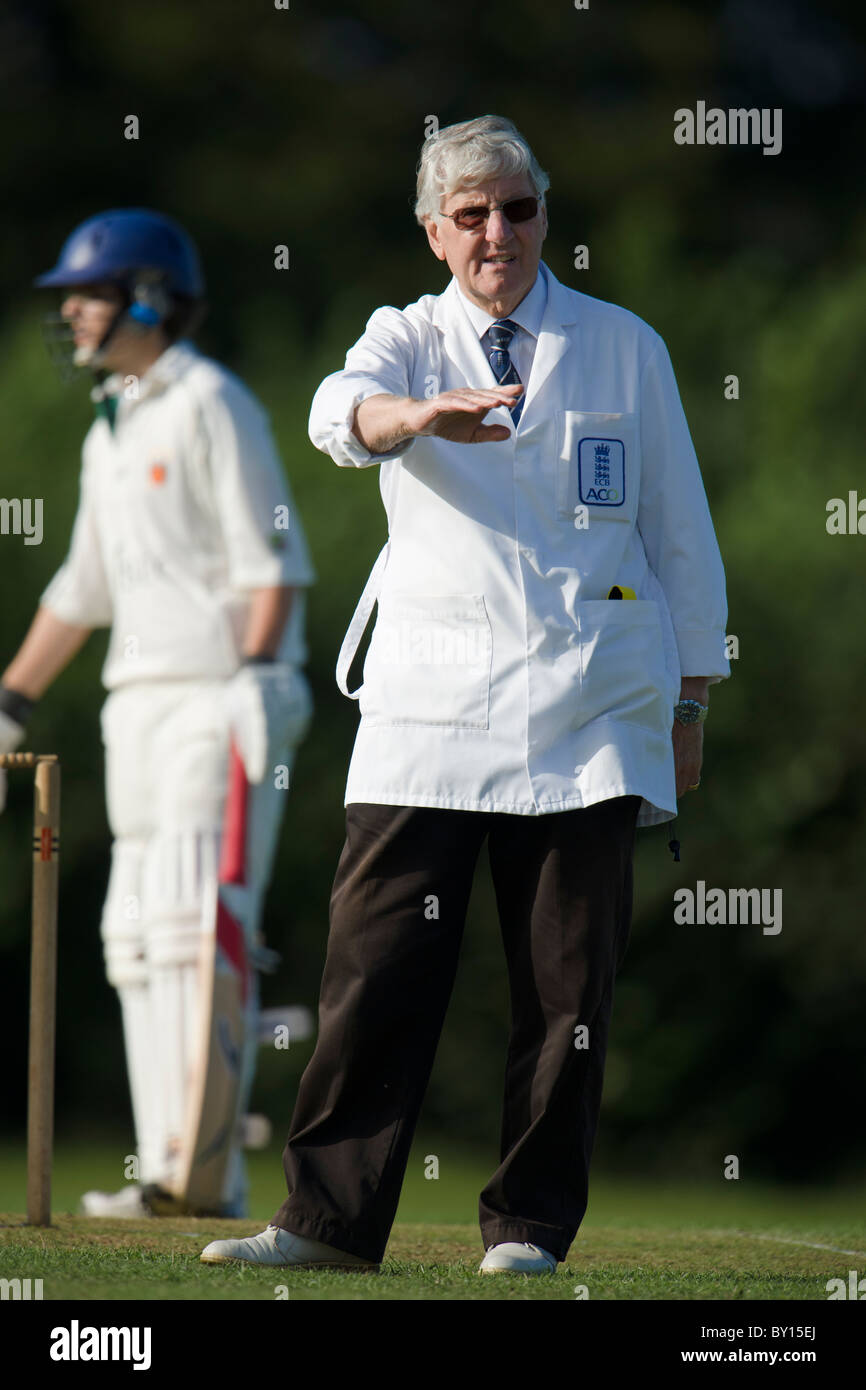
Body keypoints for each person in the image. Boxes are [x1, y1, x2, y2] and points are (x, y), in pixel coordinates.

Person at [201, 114, 729, 1273]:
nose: (500, 233)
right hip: (429, 705)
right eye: (473, 214)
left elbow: (678, 532)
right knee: (375, 967)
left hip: (594, 705)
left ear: (545, 215)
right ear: (434, 231)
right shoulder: (405, 335)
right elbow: (336, 414)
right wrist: (416, 416)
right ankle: (326, 1223)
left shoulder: (623, 344)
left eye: (520, 208)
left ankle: (529, 1228)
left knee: (565, 983)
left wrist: (689, 702)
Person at [0, 209, 315, 1218]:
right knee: (132, 936)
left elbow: (276, 563)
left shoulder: (210, 403)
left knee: (194, 930)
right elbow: (81, 587)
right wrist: (9, 700)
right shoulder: (116, 420)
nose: (74, 313)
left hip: (214, 698)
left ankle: (206, 1172)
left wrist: (257, 682)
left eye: (87, 294)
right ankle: (164, 1168)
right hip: (133, 711)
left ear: (145, 296)